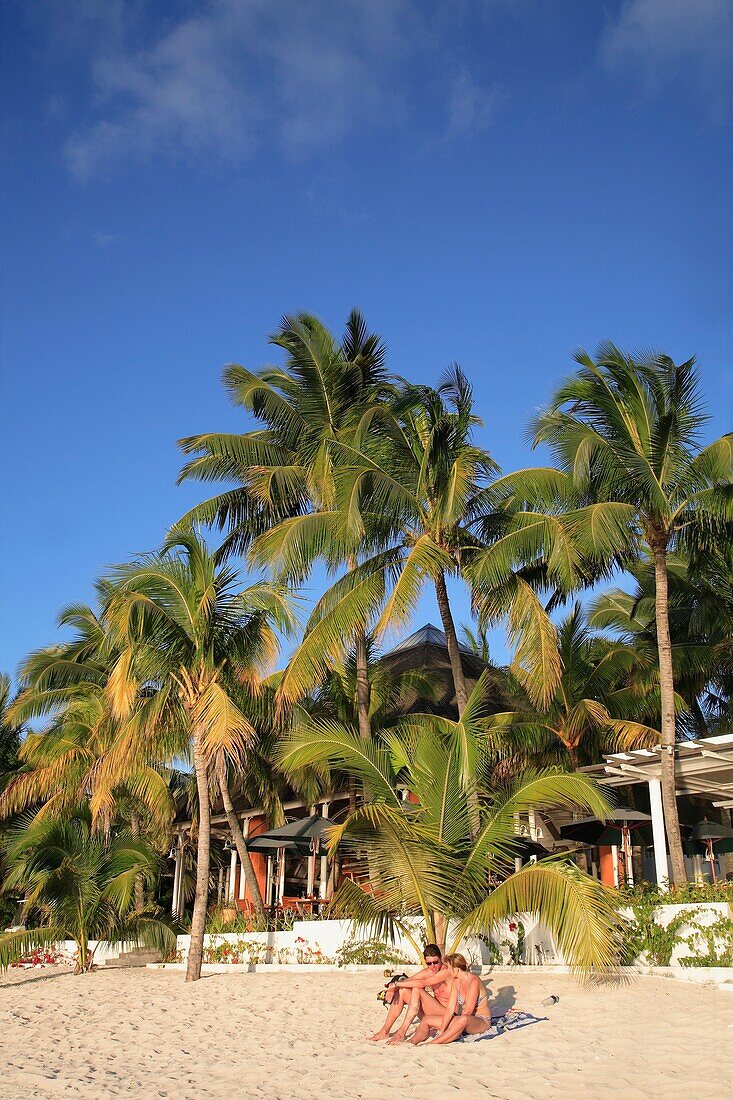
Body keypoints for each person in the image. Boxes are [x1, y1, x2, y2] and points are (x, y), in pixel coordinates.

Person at [367, 944, 452, 1043]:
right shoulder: (429, 971)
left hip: (447, 1014)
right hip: (432, 1013)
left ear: (441, 958)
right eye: (429, 963)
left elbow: (421, 983)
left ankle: (401, 1032)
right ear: (425, 962)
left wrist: (396, 984)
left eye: (435, 962)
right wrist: (392, 988)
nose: (433, 966)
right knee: (403, 991)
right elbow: (408, 981)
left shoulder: (446, 972)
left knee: (417, 988)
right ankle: (384, 1031)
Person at [409, 953, 493, 1045]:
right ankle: (412, 1042)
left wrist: (454, 1026)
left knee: (463, 1019)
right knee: (427, 1020)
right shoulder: (456, 982)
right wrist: (442, 1029)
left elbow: (468, 1011)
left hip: (480, 1020)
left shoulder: (474, 980)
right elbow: (450, 1008)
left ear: (456, 969)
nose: (447, 970)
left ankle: (432, 1043)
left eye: (449, 968)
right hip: (462, 1019)